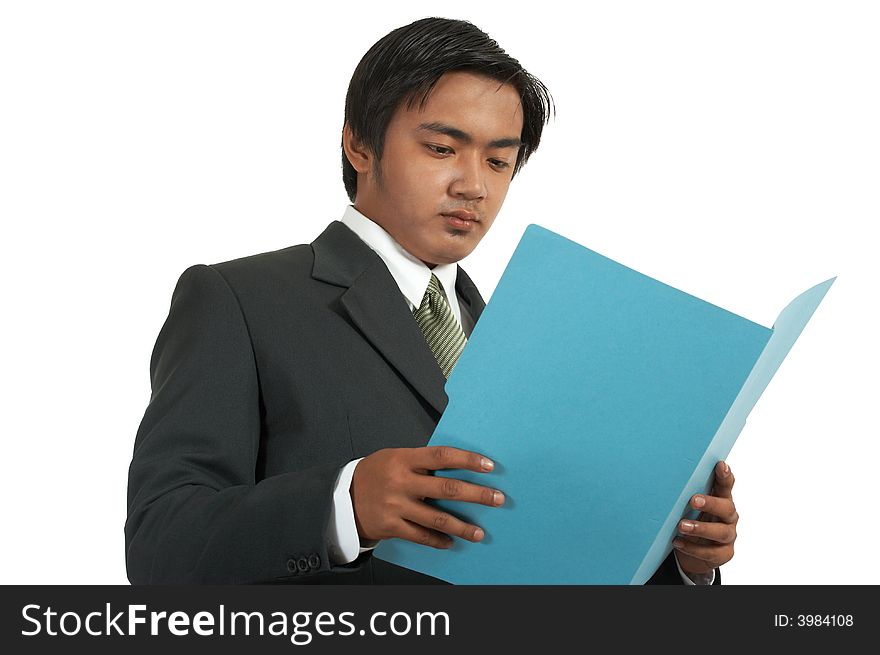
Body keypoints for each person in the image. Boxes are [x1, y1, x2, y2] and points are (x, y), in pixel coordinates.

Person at [125, 17, 738, 585]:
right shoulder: (239, 300)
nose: (474, 184)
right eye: (443, 149)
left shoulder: (517, 333)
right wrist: (346, 503)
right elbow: (159, 544)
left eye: (500, 161)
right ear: (360, 144)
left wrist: (680, 562)